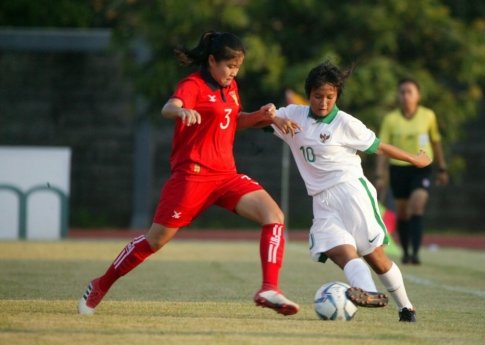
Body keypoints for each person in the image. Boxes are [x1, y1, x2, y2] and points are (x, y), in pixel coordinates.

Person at [77, 31, 301, 316]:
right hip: (192, 178)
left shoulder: (230, 87)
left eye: (237, 67)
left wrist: (264, 117)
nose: (233, 72)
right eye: (229, 66)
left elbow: (232, 121)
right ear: (211, 60)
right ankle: (100, 284)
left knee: (274, 216)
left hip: (226, 176)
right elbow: (169, 107)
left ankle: (269, 288)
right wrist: (181, 112)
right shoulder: (192, 85)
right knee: (155, 240)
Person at [270, 61, 431, 322]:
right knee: (339, 251)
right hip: (321, 200)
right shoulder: (293, 115)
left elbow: (379, 147)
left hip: (350, 192)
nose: (323, 102)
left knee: (375, 257)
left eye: (330, 97)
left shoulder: (345, 123)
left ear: (337, 97)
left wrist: (414, 159)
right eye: (318, 96)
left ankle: (406, 308)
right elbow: (261, 118)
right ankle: (367, 292)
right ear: (308, 94)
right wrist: (273, 115)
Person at [375, 78, 449, 265]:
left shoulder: (428, 116)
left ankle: (415, 253)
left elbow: (436, 141)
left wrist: (442, 168)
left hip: (421, 168)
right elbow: (382, 148)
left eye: (410, 92)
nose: (406, 96)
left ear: (418, 95)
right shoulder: (391, 119)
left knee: (416, 205)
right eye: (402, 92)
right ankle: (406, 252)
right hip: (398, 169)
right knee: (402, 213)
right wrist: (380, 174)